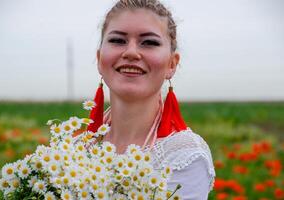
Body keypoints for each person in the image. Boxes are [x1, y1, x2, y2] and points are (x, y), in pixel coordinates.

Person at [88, 0, 215, 199]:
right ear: (99, 58)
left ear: (172, 64)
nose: (130, 52)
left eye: (149, 42)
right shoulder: (77, 146)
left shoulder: (184, 155)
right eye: (117, 40)